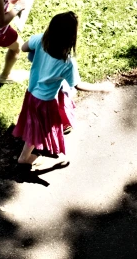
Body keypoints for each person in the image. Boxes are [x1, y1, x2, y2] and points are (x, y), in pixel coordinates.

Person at [12, 11, 113, 166]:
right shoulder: (67, 62)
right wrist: (101, 88)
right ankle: (24, 158)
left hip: (32, 92)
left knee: (36, 117)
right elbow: (78, 85)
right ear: (71, 38)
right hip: (45, 101)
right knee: (41, 129)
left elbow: (25, 47)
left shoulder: (39, 40)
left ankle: (61, 124)